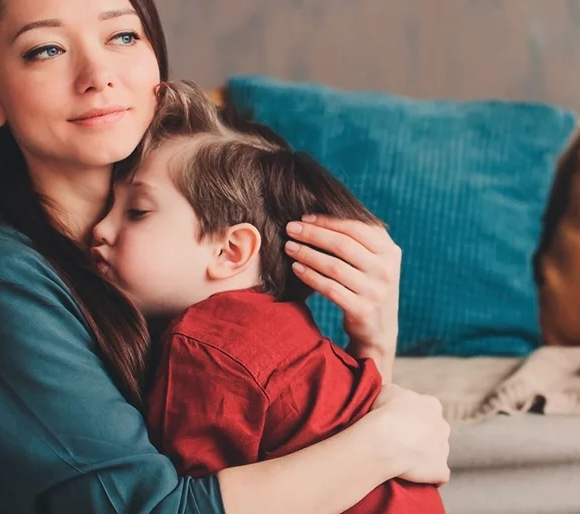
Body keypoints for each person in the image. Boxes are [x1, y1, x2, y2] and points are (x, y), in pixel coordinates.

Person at [0, 0, 451, 513]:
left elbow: (304, 443)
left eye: (122, 36)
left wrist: (374, 342)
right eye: (46, 49)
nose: (98, 74)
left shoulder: (190, 247)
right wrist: (385, 441)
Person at [90, 80, 446, 513]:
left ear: (230, 250)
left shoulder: (205, 344)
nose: (100, 229)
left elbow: (186, 500)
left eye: (137, 212)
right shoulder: (289, 326)